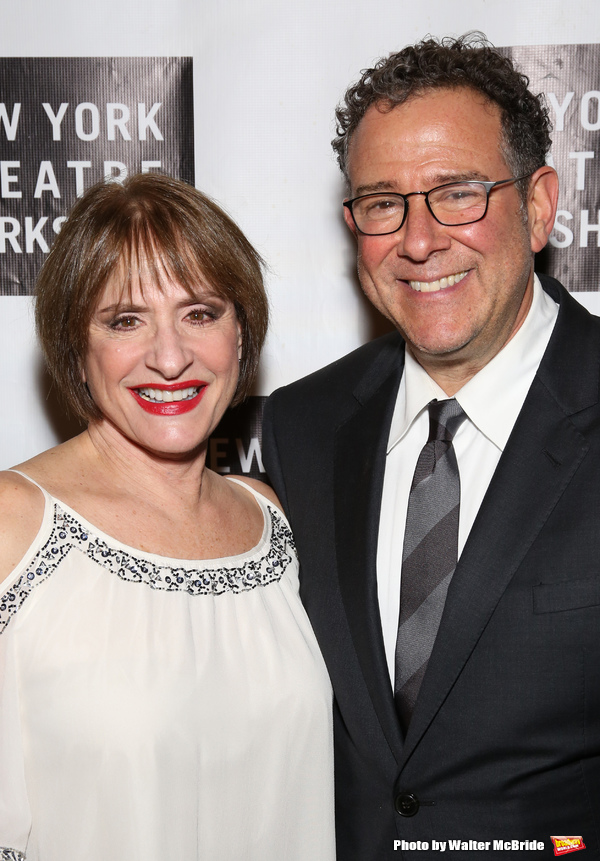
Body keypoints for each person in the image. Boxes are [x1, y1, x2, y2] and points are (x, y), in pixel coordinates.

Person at [263, 34, 600, 858]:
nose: (417, 240)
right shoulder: (299, 429)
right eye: (383, 202)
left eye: (457, 194)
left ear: (540, 204)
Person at [0, 173, 334, 861]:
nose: (171, 355)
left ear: (242, 335)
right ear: (76, 350)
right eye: (126, 320)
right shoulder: (13, 527)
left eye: (201, 313)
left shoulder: (274, 519)